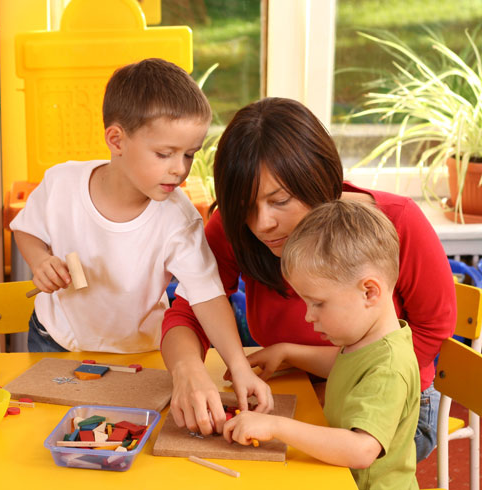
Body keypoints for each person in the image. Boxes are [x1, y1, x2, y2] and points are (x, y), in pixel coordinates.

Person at [161, 97, 455, 459]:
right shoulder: (236, 229)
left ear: (319, 179)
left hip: (386, 406)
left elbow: (432, 331)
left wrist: (333, 390)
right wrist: (187, 370)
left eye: (280, 200)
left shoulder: (396, 222)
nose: (262, 223)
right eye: (245, 206)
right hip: (296, 389)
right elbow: (188, 313)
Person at [10, 58, 272, 413]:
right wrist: (39, 260)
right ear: (117, 140)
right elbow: (26, 230)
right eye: (164, 154)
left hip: (140, 354)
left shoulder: (178, 219)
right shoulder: (61, 183)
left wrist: (239, 367)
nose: (180, 169)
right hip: (54, 341)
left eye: (190, 155)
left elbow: (208, 298)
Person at [224, 199, 420, 490]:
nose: (308, 315)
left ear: (369, 292)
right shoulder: (369, 342)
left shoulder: (390, 367)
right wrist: (288, 351)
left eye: (318, 303)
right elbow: (347, 366)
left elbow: (361, 450)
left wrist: (276, 426)